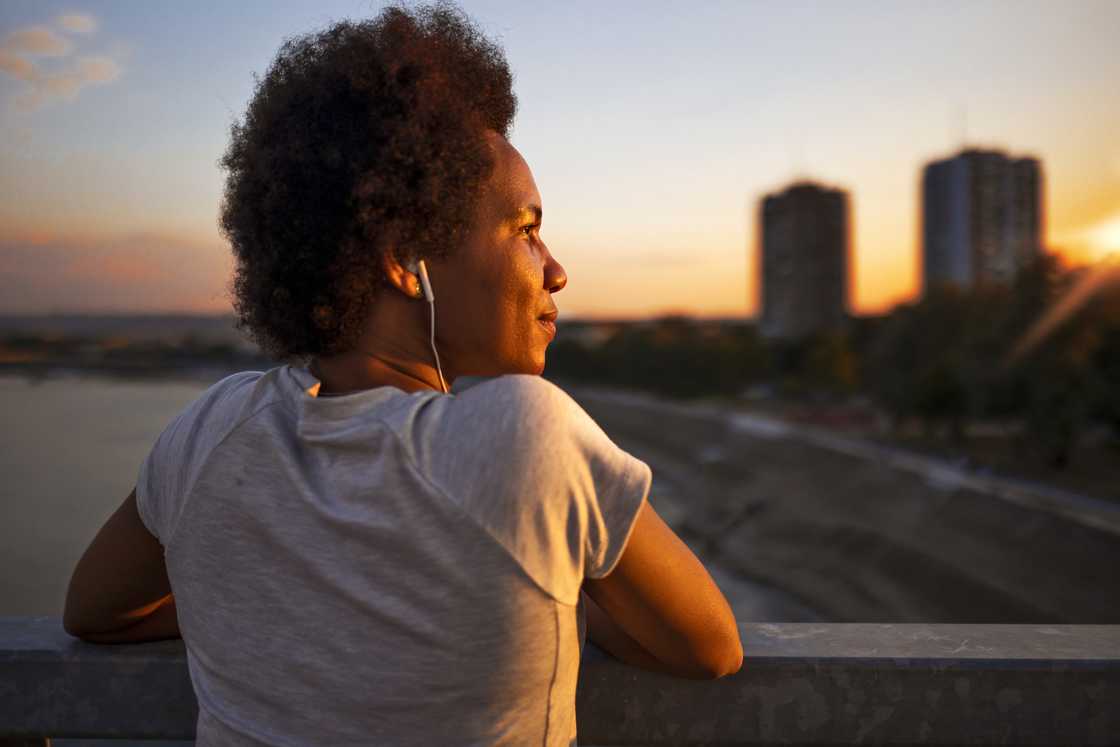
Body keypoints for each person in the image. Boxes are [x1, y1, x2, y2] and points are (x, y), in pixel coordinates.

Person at [62, 4, 742, 745]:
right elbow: (709, 645)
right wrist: (554, 600)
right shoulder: (524, 434)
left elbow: (93, 611)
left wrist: (262, 610)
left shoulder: (208, 434)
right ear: (403, 257)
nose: (556, 269)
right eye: (526, 229)